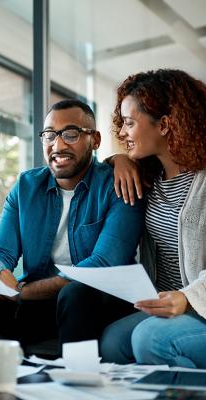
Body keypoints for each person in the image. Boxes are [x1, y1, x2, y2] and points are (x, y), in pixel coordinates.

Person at [0, 99, 143, 352]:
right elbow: (1, 252)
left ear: (95, 140)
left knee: (77, 294)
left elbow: (101, 267)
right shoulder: (27, 186)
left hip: (94, 303)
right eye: (49, 135)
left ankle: (76, 385)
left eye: (71, 134)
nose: (57, 145)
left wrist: (19, 291)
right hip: (38, 307)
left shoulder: (118, 185)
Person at [100, 69, 206, 368]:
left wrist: (187, 298)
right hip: (169, 308)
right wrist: (117, 159)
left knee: (151, 339)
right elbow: (103, 165)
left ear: (165, 124)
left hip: (199, 307)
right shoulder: (150, 177)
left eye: (129, 123)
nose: (122, 133)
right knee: (112, 341)